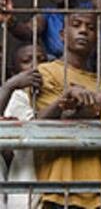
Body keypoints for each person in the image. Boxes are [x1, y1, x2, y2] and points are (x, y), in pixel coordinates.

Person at [34, 13, 101, 209]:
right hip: (60, 188)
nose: (83, 30)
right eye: (76, 25)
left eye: (91, 28)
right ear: (62, 34)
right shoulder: (46, 71)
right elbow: (45, 121)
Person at [0, 43, 46, 209]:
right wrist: (10, 85)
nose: (36, 66)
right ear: (14, 71)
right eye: (27, 61)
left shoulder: (49, 95)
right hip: (24, 179)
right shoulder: (15, 96)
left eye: (43, 60)